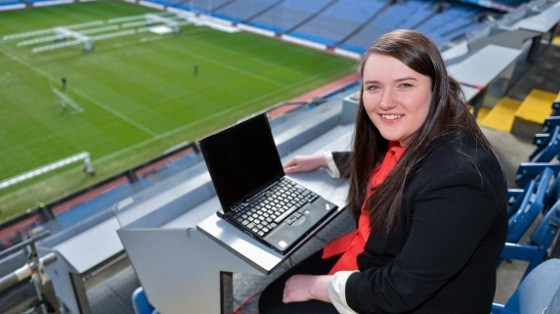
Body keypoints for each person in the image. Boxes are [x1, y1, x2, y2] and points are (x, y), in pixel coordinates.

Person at [258, 29, 508, 313]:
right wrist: (327, 160)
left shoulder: (461, 181)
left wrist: (316, 286)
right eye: (374, 87)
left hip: (412, 299)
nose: (385, 102)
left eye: (404, 85)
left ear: (435, 87)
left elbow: (400, 290)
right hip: (388, 263)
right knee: (273, 295)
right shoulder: (431, 131)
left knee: (274, 304)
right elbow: (390, 163)